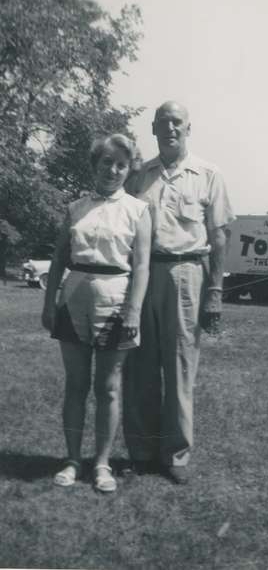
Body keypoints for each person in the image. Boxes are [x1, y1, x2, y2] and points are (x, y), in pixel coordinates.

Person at [123, 101, 235, 484]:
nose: (170, 128)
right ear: (153, 129)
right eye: (163, 122)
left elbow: (219, 236)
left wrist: (215, 291)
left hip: (188, 274)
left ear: (189, 128)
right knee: (139, 366)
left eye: (177, 122)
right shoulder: (138, 176)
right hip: (142, 274)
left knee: (180, 366)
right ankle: (141, 451)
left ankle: (176, 455)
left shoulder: (208, 174)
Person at [41, 134, 151, 493]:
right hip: (73, 299)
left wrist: (133, 310)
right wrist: (48, 303)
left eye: (121, 164)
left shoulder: (138, 210)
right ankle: (72, 459)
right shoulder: (75, 208)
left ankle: (101, 464)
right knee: (76, 385)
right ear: (95, 164)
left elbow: (142, 266)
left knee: (108, 387)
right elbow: (59, 258)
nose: (113, 170)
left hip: (116, 299)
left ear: (128, 169)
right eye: (107, 162)